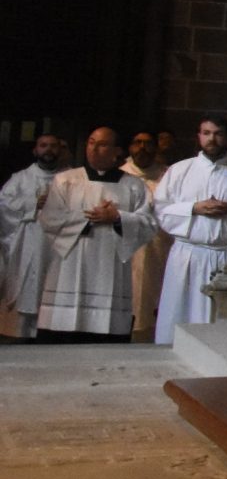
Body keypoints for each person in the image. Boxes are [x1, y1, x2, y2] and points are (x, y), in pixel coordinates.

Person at [36, 128, 155, 342]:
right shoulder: (65, 180)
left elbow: (148, 223)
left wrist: (117, 218)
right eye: (91, 142)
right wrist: (89, 218)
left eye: (102, 144)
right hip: (70, 268)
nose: (94, 148)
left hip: (110, 268)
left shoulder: (134, 186)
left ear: (117, 151)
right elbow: (50, 218)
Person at [152, 117, 227, 344]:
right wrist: (193, 208)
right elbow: (160, 209)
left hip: (224, 256)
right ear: (198, 136)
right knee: (179, 314)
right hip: (187, 255)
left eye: (218, 133)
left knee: (218, 325)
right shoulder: (180, 170)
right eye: (206, 133)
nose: (212, 139)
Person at [0, 133, 71, 338]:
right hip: (30, 244)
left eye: (53, 146)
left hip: (61, 247)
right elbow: (4, 205)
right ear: (35, 150)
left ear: (61, 150)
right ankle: (24, 336)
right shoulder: (20, 178)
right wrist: (33, 203)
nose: (48, 150)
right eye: (43, 145)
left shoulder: (73, 178)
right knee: (30, 292)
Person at [122, 130, 168, 343]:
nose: (142, 147)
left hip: (159, 249)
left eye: (148, 143)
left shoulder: (168, 176)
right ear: (129, 147)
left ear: (156, 147)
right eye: (137, 142)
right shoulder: (120, 175)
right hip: (128, 250)